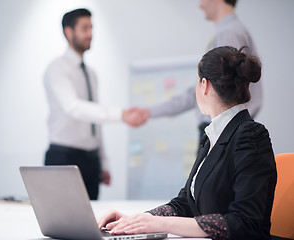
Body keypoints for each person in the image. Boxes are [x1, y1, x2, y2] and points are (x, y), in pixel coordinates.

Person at [97, 46, 277, 240]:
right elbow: (185, 204)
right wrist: (138, 220)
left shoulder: (250, 135)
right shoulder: (213, 136)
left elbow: (244, 222)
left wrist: (162, 223)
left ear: (204, 85)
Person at [43, 8, 145, 200]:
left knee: (89, 221)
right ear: (68, 32)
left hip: (90, 161)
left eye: (91, 28)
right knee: (62, 221)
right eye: (85, 28)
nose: (90, 34)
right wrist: (120, 114)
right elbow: (73, 107)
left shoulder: (91, 74)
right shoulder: (57, 69)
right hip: (63, 158)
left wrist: (103, 162)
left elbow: (94, 122)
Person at [132, 0, 263, 145]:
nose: (200, 5)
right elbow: (201, 91)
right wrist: (150, 112)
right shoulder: (229, 31)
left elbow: (225, 92)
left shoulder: (229, 33)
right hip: (222, 131)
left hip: (222, 133)